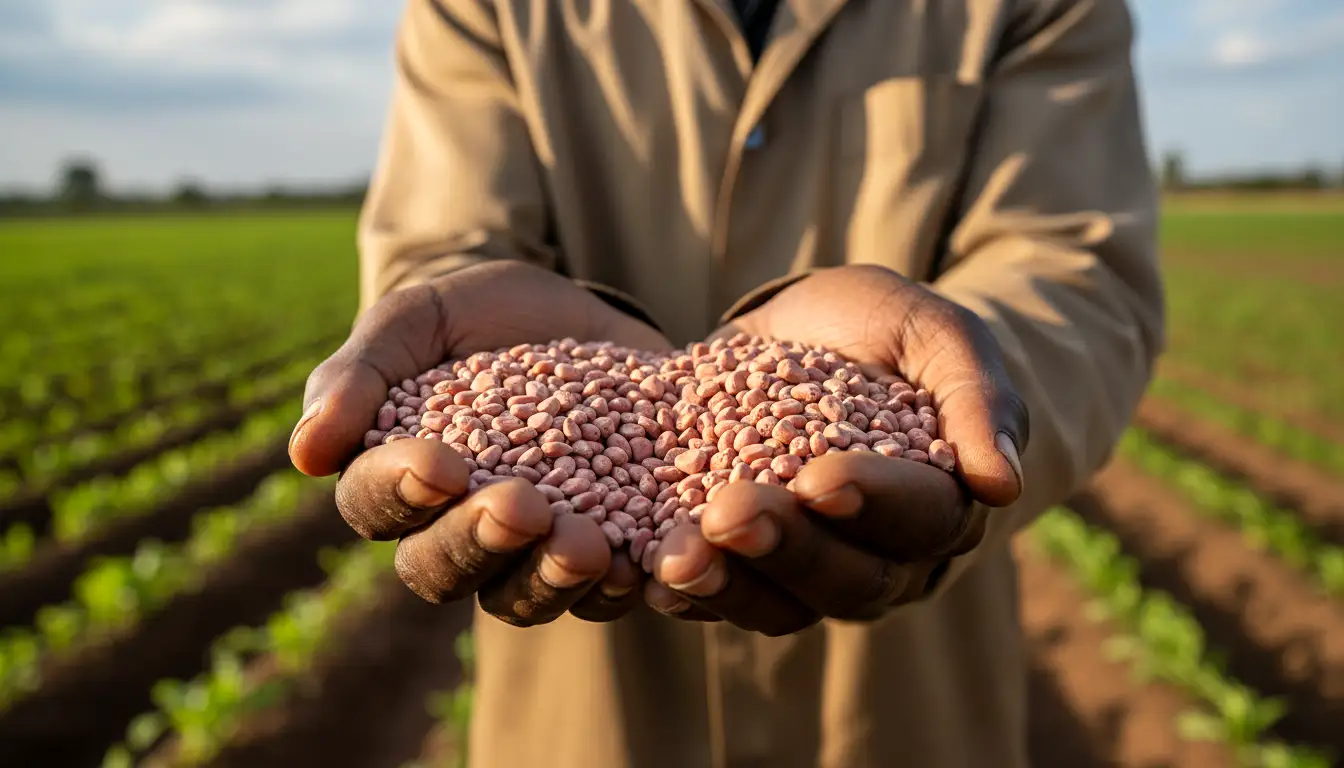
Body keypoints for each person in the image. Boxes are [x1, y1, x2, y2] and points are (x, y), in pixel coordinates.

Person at [287, 0, 1163, 765]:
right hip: (584, 695)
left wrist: (965, 380)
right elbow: (446, 245)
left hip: (901, 697)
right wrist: (455, 338)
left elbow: (1073, 270)